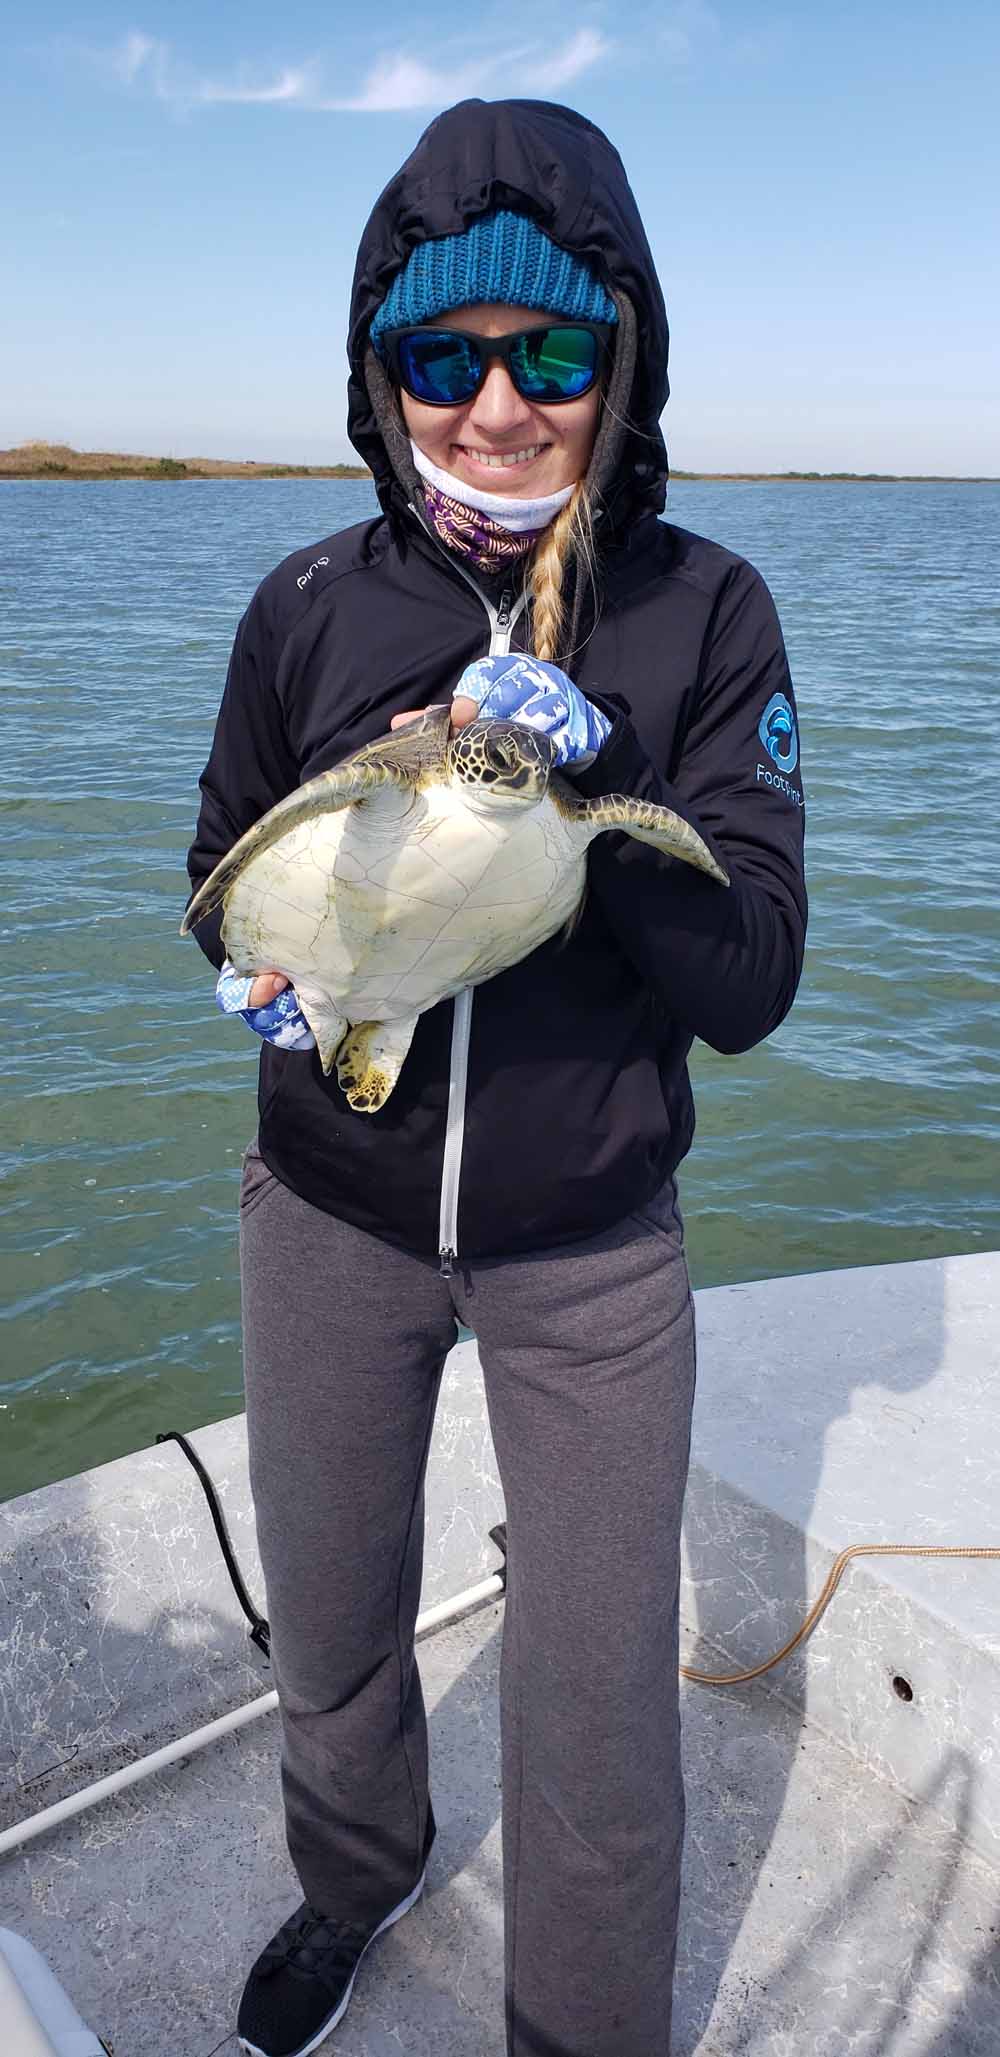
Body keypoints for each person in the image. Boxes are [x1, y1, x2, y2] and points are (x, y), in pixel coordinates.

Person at [186, 96, 807, 2057]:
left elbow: (749, 977)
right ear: (377, 375)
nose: (492, 407)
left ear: (616, 358)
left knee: (595, 1701)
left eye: (548, 355)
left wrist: (595, 771)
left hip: (587, 1256)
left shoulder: (701, 612)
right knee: (335, 1627)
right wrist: (257, 969)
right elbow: (212, 880)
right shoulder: (302, 603)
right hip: (327, 1216)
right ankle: (351, 1880)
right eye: (436, 358)